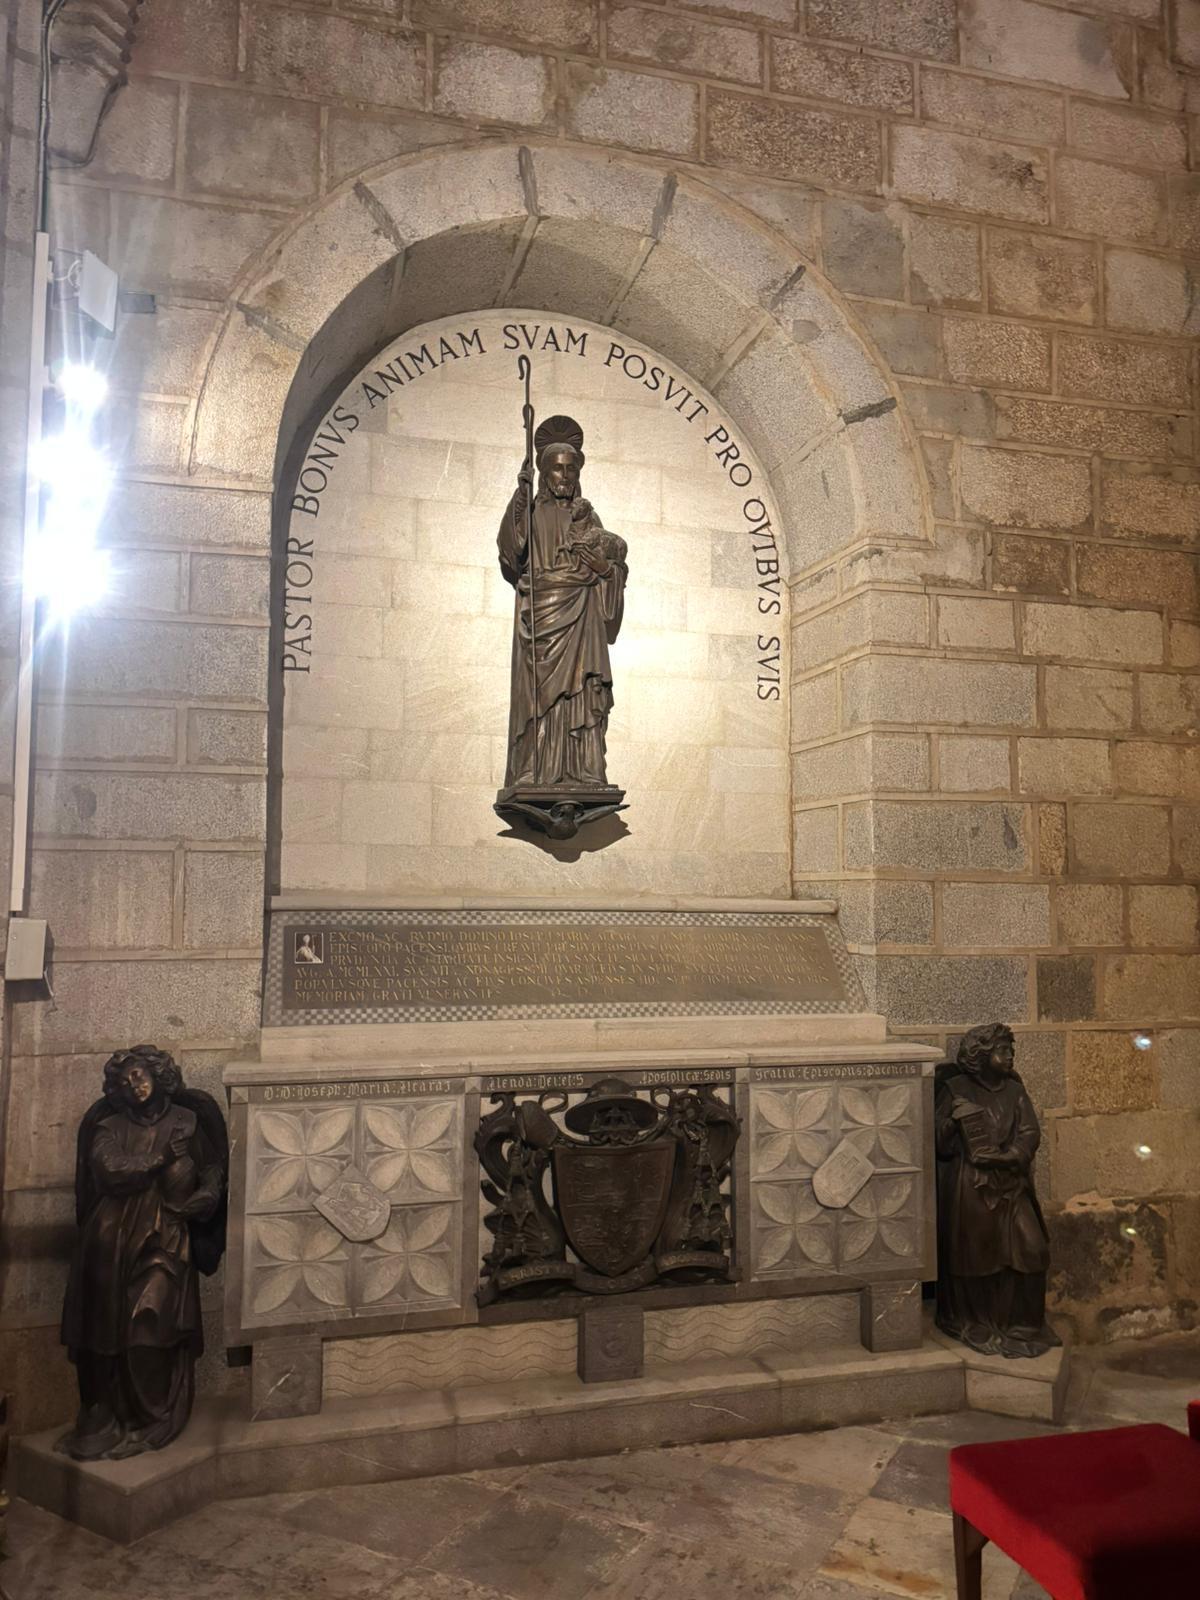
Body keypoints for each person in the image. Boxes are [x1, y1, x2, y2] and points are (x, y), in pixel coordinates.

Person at [58, 1046, 227, 1459]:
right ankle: (111, 1419)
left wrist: (205, 1196)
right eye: (125, 1080)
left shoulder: (189, 1120)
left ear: (158, 1073)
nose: (135, 1084)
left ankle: (154, 1418)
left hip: (166, 1238)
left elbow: (211, 1170)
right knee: (104, 1333)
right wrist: (160, 1158)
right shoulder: (108, 1126)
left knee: (149, 1326)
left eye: (139, 1073)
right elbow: (110, 1170)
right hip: (109, 1240)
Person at [497, 417, 627, 791]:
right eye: (557, 468)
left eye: (571, 469)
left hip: (583, 619)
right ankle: (533, 771)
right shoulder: (532, 513)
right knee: (538, 697)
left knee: (583, 691)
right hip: (541, 619)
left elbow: (610, 564)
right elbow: (511, 554)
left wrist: (605, 570)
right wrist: (519, 499)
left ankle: (586, 770)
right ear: (544, 472)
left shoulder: (588, 517)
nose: (565, 476)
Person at [935, 1023, 1059, 1359]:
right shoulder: (955, 1089)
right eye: (1002, 1050)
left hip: (1010, 1183)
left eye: (1010, 1050)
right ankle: (973, 1321)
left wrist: (1010, 1156)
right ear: (981, 1055)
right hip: (971, 1185)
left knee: (1032, 1248)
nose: (1009, 1057)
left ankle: (1024, 1324)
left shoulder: (1014, 1091)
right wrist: (952, 1122)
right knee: (975, 1256)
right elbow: (939, 1145)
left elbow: (1029, 1132)